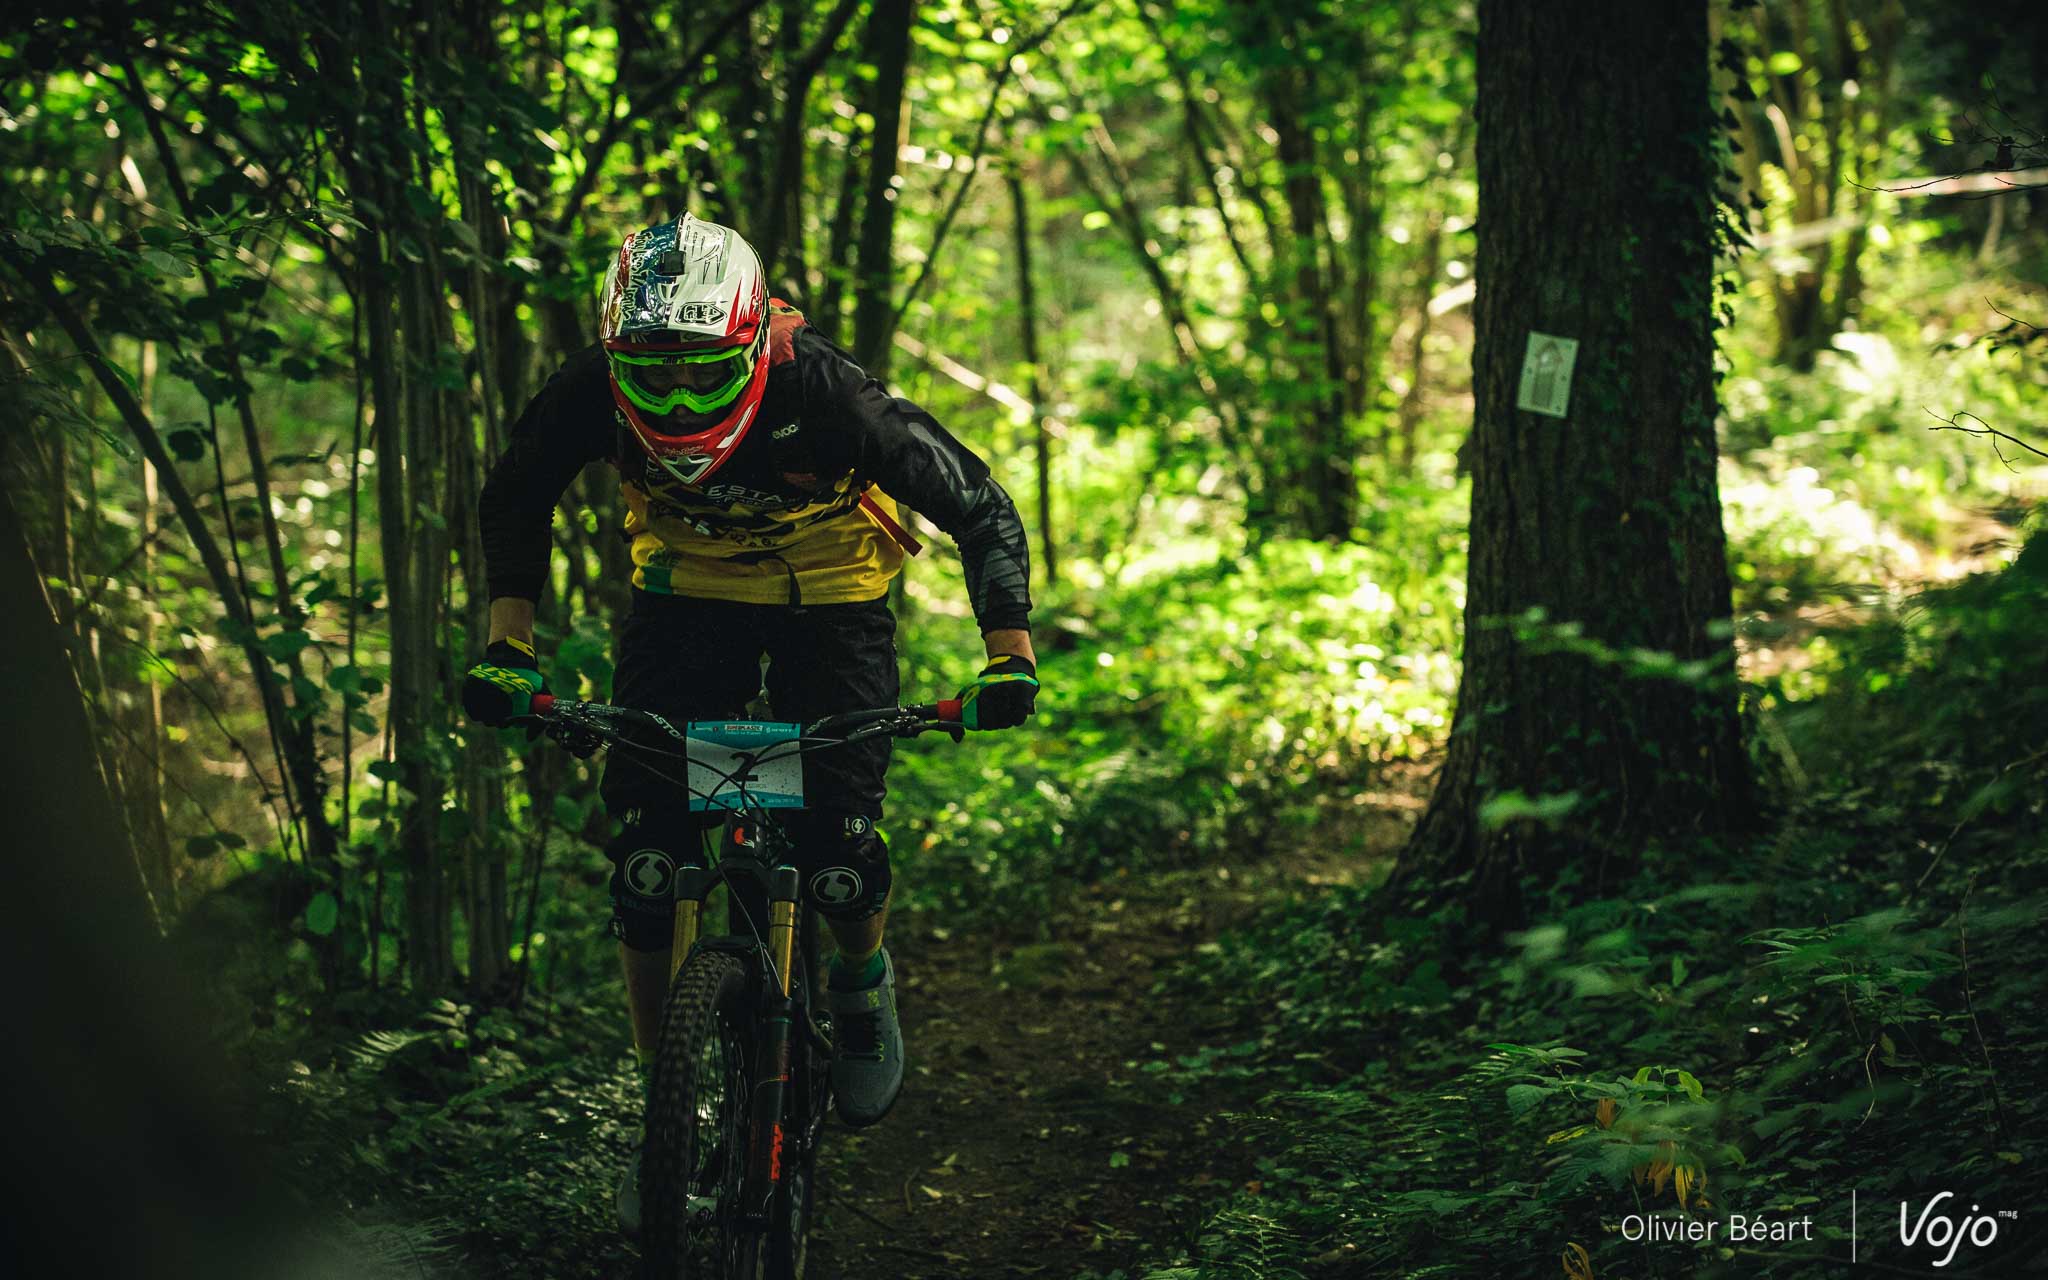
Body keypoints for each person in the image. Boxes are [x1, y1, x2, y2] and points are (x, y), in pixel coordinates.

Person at [459, 213, 1038, 1235]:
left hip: (832, 595)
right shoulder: (586, 389)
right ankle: (664, 1101)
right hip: (688, 593)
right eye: (654, 379)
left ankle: (859, 984)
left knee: (840, 848)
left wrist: (1008, 657)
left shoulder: (828, 395)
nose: (678, 404)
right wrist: (509, 645)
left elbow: (980, 508)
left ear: (753, 344)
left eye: (703, 379)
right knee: (645, 853)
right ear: (612, 355)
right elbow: (516, 494)